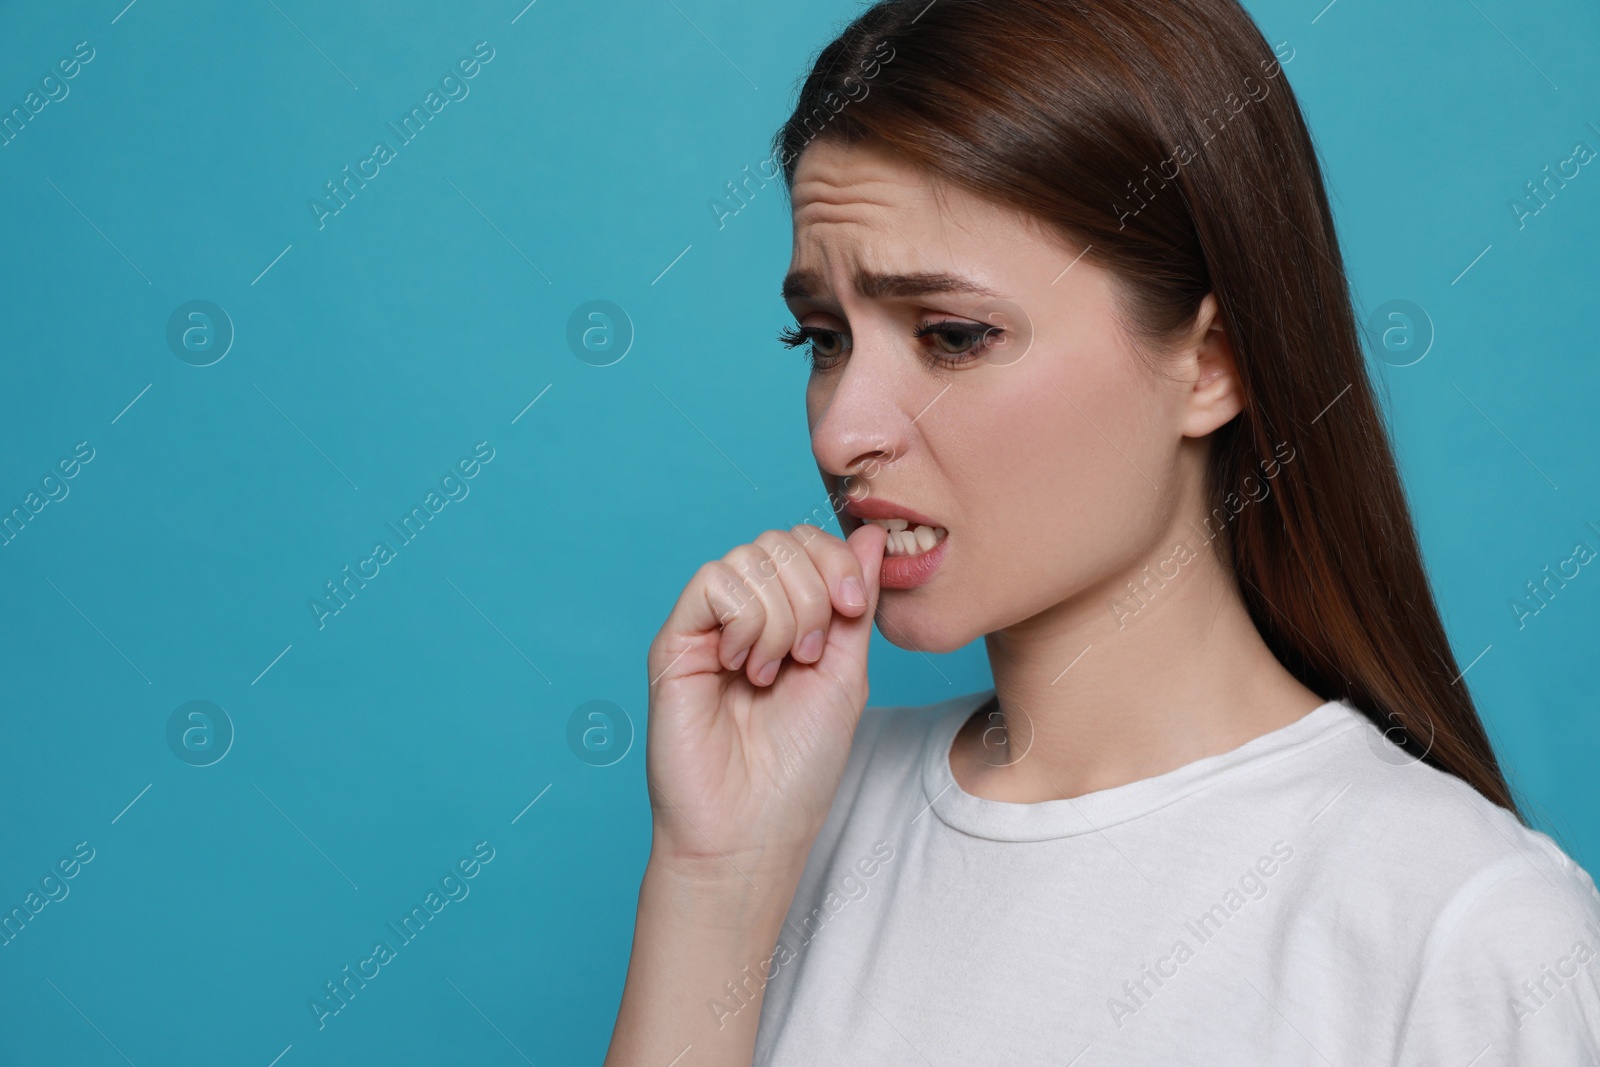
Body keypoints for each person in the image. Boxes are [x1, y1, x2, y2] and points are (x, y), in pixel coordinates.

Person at [603, 0, 1600, 1063]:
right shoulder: (797, 810)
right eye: (823, 337)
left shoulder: (1468, 936)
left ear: (1211, 364)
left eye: (950, 335)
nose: (844, 430)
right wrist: (711, 881)